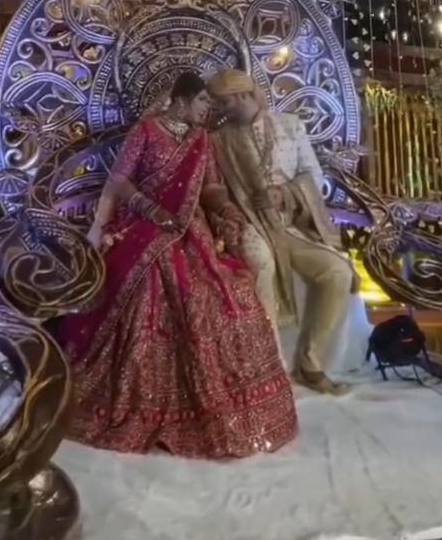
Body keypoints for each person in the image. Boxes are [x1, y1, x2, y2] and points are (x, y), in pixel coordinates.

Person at [58, 71, 298, 460]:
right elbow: (119, 181)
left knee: (225, 291)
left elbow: (211, 188)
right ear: (182, 100)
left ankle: (230, 402)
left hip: (190, 229)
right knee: (158, 287)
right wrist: (151, 210)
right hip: (142, 224)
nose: (208, 110)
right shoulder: (146, 131)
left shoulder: (201, 140)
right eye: (203, 102)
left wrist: (226, 210)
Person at [207, 69, 370, 395]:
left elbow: (313, 176)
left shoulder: (290, 125)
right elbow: (215, 189)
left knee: (337, 272)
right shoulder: (218, 140)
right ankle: (271, 367)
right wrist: (229, 215)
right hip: (251, 223)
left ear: (243, 95)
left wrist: (283, 194)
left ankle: (311, 363)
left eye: (225, 102)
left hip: (293, 225)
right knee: (261, 263)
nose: (220, 110)